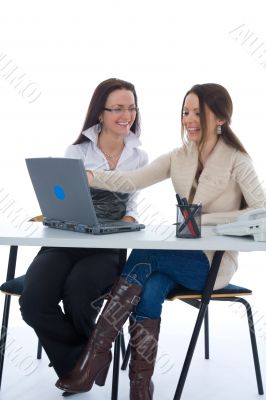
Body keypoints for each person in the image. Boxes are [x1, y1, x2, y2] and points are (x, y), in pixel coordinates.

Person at [56, 83, 266, 399]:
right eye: (185, 112)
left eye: (199, 112)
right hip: (175, 257)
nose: (189, 119)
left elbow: (262, 212)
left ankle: (93, 357)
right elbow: (131, 180)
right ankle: (140, 386)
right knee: (150, 286)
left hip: (212, 263)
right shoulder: (178, 157)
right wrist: (90, 176)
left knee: (145, 253)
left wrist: (205, 221)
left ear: (221, 118)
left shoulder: (237, 160)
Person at [19, 78, 148, 389]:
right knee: (34, 301)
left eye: (131, 108)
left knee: (79, 292)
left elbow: (132, 206)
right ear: (100, 113)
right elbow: (62, 201)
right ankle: (84, 362)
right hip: (66, 243)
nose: (125, 115)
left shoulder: (139, 157)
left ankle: (81, 370)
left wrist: (128, 219)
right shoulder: (77, 150)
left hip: (107, 248)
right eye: (117, 108)